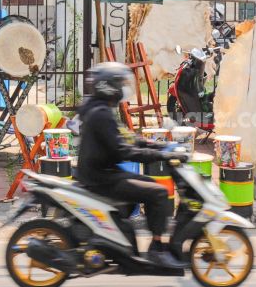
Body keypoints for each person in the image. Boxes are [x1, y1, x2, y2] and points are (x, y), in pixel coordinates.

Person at [76, 62, 189, 269]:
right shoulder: (101, 114)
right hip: (102, 179)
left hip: (101, 174)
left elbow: (127, 138)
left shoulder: (100, 109)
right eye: (120, 83)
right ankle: (156, 250)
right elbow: (125, 150)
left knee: (148, 185)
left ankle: (129, 244)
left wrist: (160, 146)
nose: (123, 88)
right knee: (159, 193)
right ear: (109, 87)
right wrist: (159, 156)